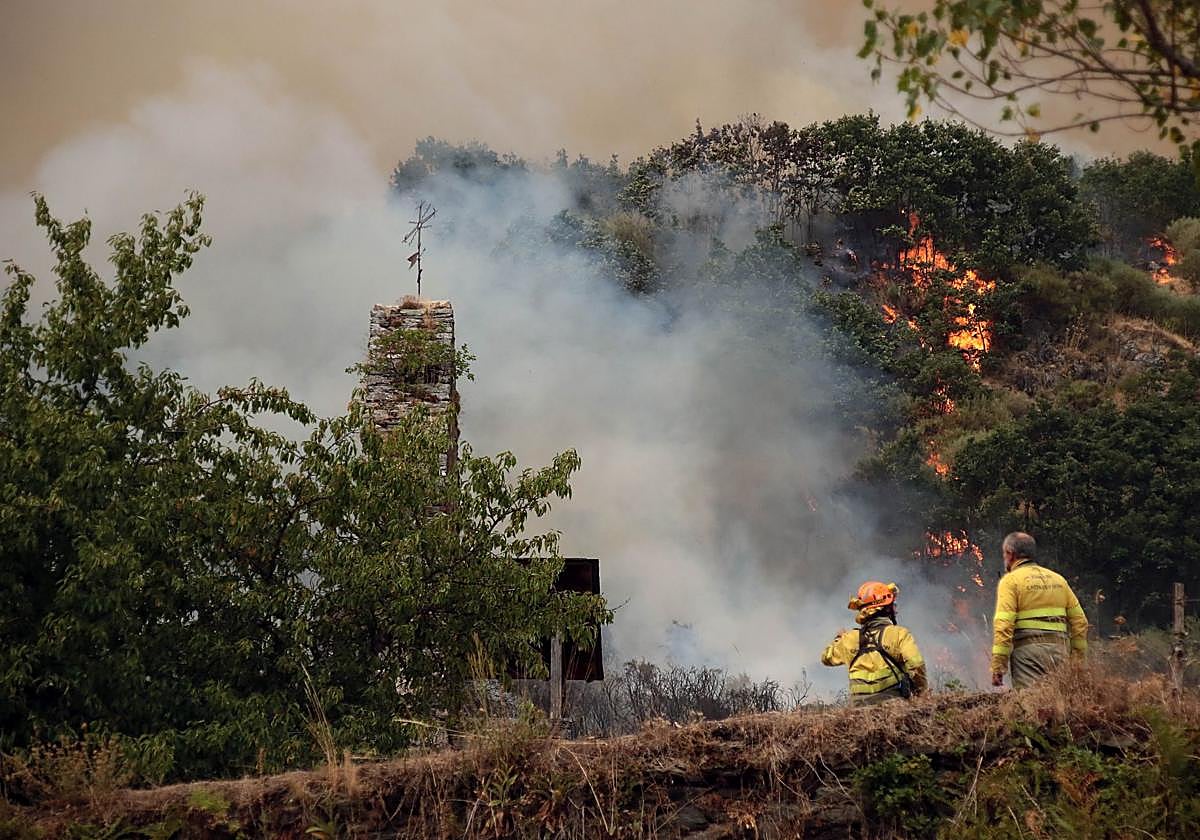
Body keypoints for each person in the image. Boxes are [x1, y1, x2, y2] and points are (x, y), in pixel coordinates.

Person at [991, 532, 1088, 689]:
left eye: (1004, 553)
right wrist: (1077, 660)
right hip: (1059, 652)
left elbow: (1004, 625)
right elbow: (1080, 621)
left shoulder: (1010, 581)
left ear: (1010, 553)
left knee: (1031, 704)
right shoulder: (1058, 580)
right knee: (1058, 703)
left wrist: (998, 666)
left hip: (1028, 655)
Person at [822, 581, 927, 705]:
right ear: (887, 608)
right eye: (894, 605)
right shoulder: (899, 634)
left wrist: (839, 638)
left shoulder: (849, 639)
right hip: (894, 708)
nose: (896, 609)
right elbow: (916, 664)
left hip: (858, 712)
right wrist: (922, 693)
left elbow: (826, 658)